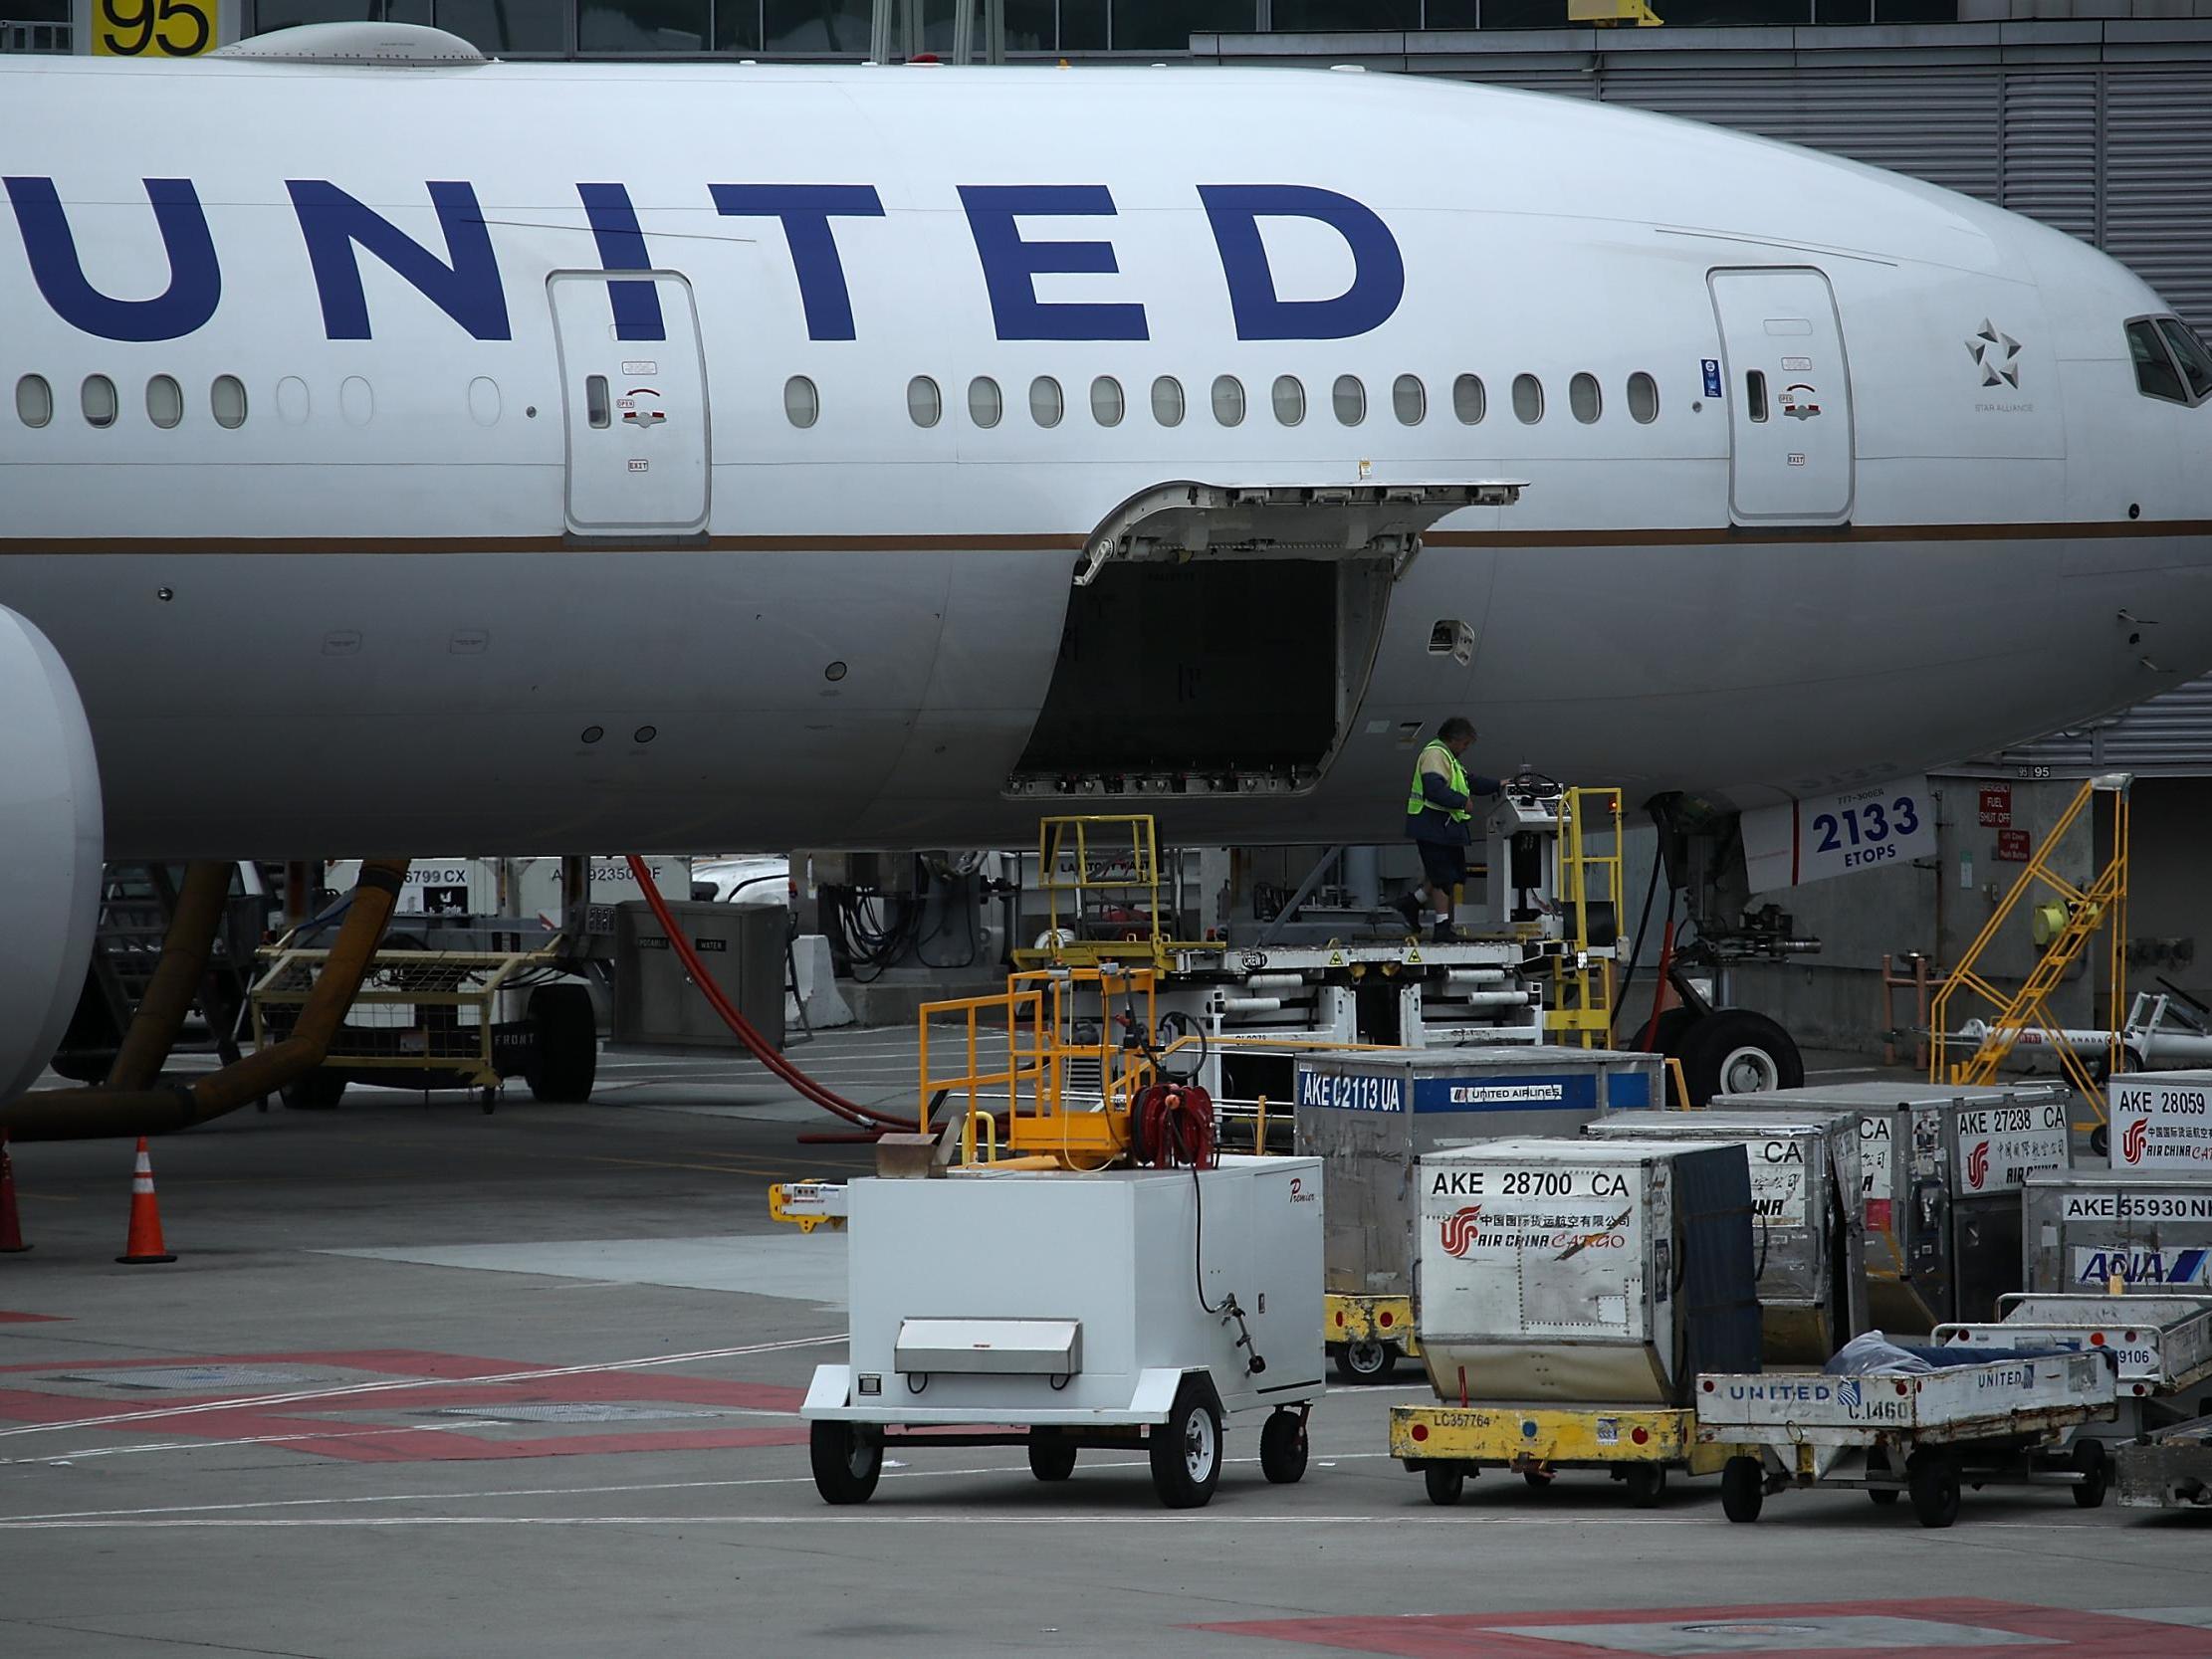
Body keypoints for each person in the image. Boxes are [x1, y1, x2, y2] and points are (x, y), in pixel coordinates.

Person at [1404, 717, 1500, 943]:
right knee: (1443, 878)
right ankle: (1442, 927)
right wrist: (1461, 802)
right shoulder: (1435, 755)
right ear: (1454, 739)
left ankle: (1412, 902)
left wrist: (1499, 784)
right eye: (1465, 744)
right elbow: (1434, 789)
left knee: (1448, 873)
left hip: (1445, 827)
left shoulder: (1449, 758)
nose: (1465, 749)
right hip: (1432, 824)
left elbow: (1469, 781)